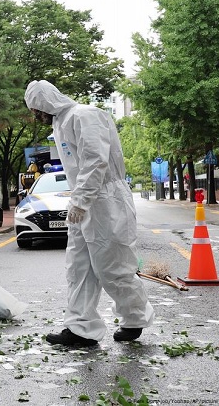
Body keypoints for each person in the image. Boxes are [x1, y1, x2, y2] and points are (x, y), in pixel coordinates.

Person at [24, 80, 154, 346]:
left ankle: (134, 318)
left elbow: (96, 159)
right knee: (79, 266)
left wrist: (81, 199)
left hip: (107, 200)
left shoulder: (85, 115)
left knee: (113, 265)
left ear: (46, 102)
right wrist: (79, 200)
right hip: (84, 201)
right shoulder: (61, 123)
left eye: (37, 110)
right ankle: (81, 328)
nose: (37, 116)